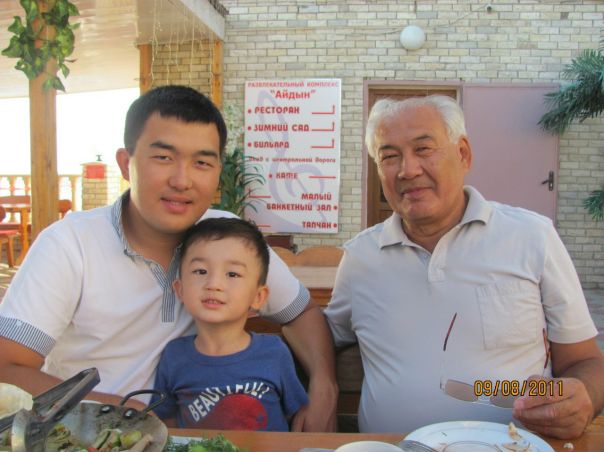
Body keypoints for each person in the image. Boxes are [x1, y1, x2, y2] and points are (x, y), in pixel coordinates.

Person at [0, 85, 337, 432]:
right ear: (125, 163)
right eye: (163, 157)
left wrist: (325, 386)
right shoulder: (70, 244)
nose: (182, 180)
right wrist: (123, 412)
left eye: (202, 162)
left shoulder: (229, 242)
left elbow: (302, 313)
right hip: (87, 437)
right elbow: (7, 367)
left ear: (218, 171)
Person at [325, 95, 604, 439]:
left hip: (514, 447)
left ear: (463, 154)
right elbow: (325, 335)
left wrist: (585, 397)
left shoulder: (532, 236)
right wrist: (322, 385)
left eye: (423, 149)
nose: (408, 170)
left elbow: (585, 361)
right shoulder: (361, 257)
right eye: (389, 156)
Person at [151, 217, 308, 430]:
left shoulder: (274, 353)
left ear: (258, 297)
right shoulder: (174, 356)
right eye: (200, 271)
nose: (214, 284)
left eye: (232, 274)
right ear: (180, 290)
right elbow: (166, 423)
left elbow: (297, 416)